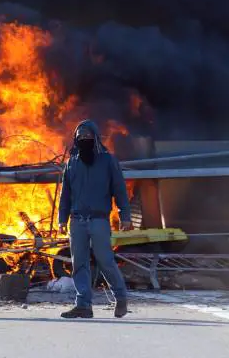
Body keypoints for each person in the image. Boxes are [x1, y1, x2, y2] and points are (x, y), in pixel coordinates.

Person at [58, 120, 133, 319]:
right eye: (80, 137)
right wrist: (61, 219)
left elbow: (119, 189)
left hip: (99, 220)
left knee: (105, 260)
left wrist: (125, 215)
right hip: (77, 221)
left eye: (88, 137)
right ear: (75, 139)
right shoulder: (71, 163)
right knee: (79, 263)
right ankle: (83, 304)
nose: (84, 140)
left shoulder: (108, 161)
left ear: (96, 138)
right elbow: (65, 194)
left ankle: (121, 297)